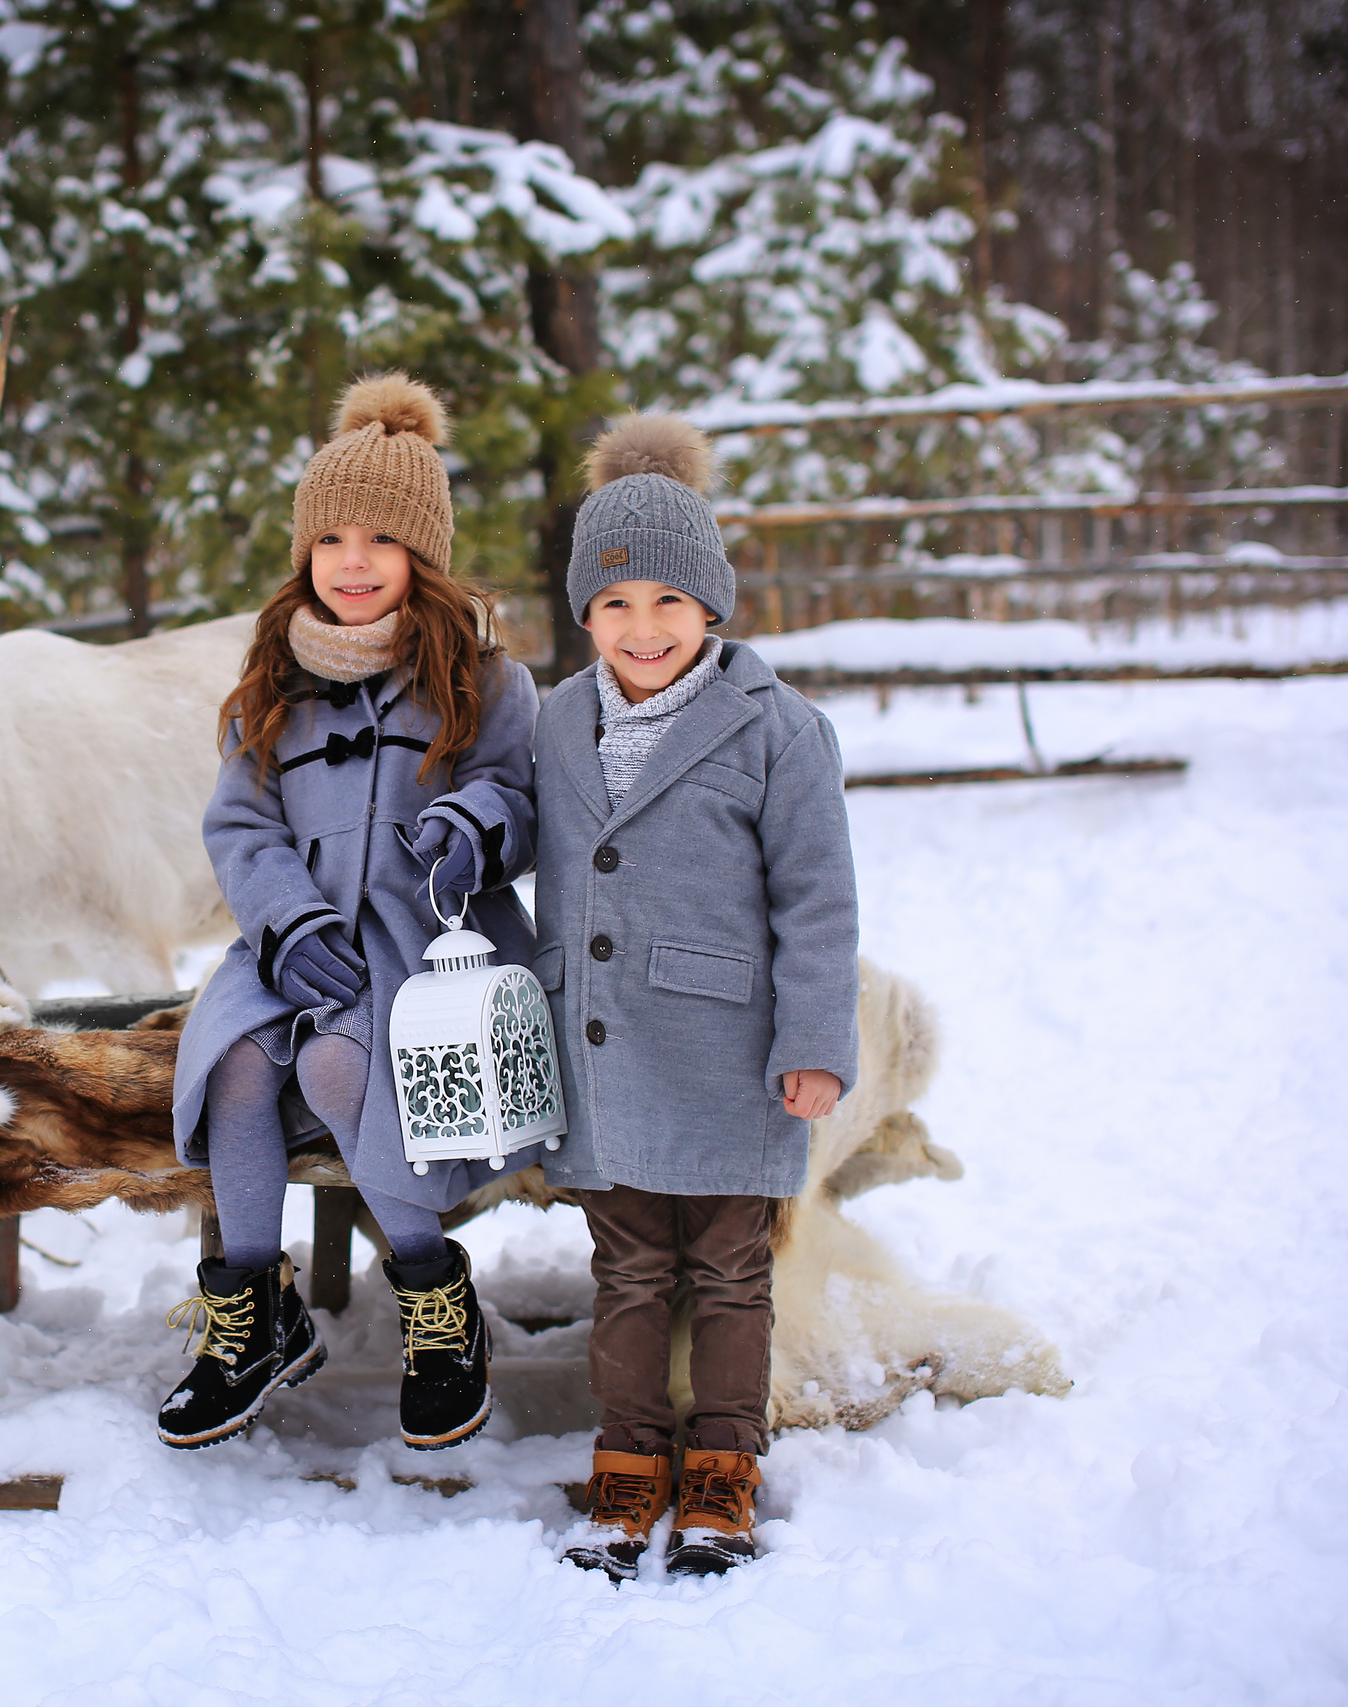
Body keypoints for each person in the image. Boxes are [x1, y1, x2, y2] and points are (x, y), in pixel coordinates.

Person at [160, 373, 543, 1452]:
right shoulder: (269, 685)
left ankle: (435, 1299)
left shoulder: (482, 678)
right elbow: (239, 826)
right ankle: (252, 1314)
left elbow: (526, 800)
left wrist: (474, 824)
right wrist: (283, 921)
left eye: (380, 537)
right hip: (294, 940)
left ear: (421, 552)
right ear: (305, 555)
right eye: (330, 538)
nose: (354, 561)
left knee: (337, 1069)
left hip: (423, 951)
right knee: (234, 1060)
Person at [533, 414, 861, 1578]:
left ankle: (722, 1465)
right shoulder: (557, 720)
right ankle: (627, 1463)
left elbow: (817, 902)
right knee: (625, 1270)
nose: (643, 628)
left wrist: (815, 1039)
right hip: (604, 1052)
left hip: (730, 1056)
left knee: (727, 1271)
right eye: (616, 605)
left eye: (669, 602)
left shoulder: (775, 730)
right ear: (586, 617)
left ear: (711, 607)